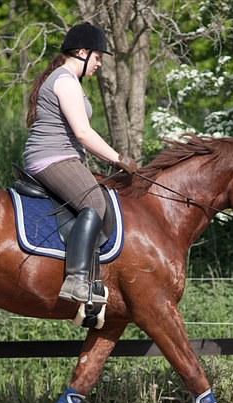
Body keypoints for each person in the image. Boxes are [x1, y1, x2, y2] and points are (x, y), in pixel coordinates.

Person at [23, 22, 137, 305]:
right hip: (53, 157)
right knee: (95, 203)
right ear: (82, 52)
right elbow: (83, 133)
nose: (99, 64)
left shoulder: (66, 79)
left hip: (58, 156)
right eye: (98, 57)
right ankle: (76, 280)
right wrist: (118, 158)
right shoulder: (65, 80)